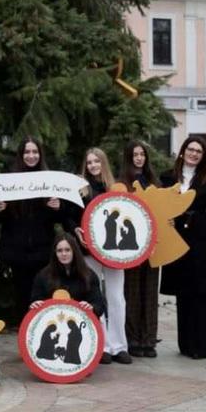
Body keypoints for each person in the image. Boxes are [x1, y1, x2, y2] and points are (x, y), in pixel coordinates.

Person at [0, 137, 69, 324]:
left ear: (40, 155)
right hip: (17, 251)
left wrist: (57, 207)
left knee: (44, 292)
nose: (31, 156)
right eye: (27, 152)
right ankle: (25, 334)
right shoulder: (9, 180)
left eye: (35, 152)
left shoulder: (49, 180)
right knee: (22, 295)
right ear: (21, 155)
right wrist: (1, 209)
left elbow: (60, 217)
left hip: (43, 250)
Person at [159, 137, 206, 360]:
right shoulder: (167, 177)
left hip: (200, 239)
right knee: (182, 291)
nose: (194, 154)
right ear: (183, 151)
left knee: (199, 291)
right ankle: (185, 343)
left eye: (199, 151)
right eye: (191, 149)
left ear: (203, 156)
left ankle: (202, 346)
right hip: (174, 236)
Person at [75, 148, 130, 364]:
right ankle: (103, 346)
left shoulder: (115, 189)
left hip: (115, 251)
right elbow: (71, 216)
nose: (93, 165)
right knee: (95, 296)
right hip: (90, 250)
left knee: (117, 298)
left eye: (96, 161)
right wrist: (75, 230)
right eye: (89, 162)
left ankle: (119, 346)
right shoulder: (81, 190)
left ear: (103, 163)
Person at [120, 141, 160, 358]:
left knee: (150, 292)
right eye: (135, 154)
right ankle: (133, 339)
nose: (139, 158)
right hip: (130, 245)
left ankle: (149, 339)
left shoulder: (153, 181)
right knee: (132, 292)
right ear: (129, 157)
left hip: (153, 244)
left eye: (142, 154)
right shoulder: (122, 183)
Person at [29, 233, 106, 317]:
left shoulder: (88, 275)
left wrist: (91, 307)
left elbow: (99, 305)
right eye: (59, 251)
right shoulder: (43, 276)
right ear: (55, 253)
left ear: (74, 251)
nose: (64, 254)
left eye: (67, 250)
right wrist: (35, 305)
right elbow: (35, 302)